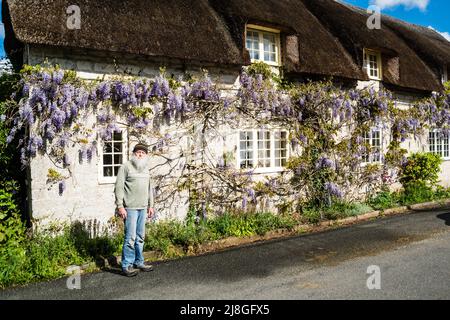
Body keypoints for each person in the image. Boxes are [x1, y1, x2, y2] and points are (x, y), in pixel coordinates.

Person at [115, 143, 155, 277]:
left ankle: (139, 262)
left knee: (140, 237)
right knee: (130, 238)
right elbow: (119, 187)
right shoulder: (125, 167)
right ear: (134, 154)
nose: (140, 154)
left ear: (146, 155)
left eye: (143, 153)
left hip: (143, 207)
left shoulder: (146, 169)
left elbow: (150, 189)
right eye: (138, 152)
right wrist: (120, 206)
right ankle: (126, 265)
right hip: (130, 208)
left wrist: (151, 205)